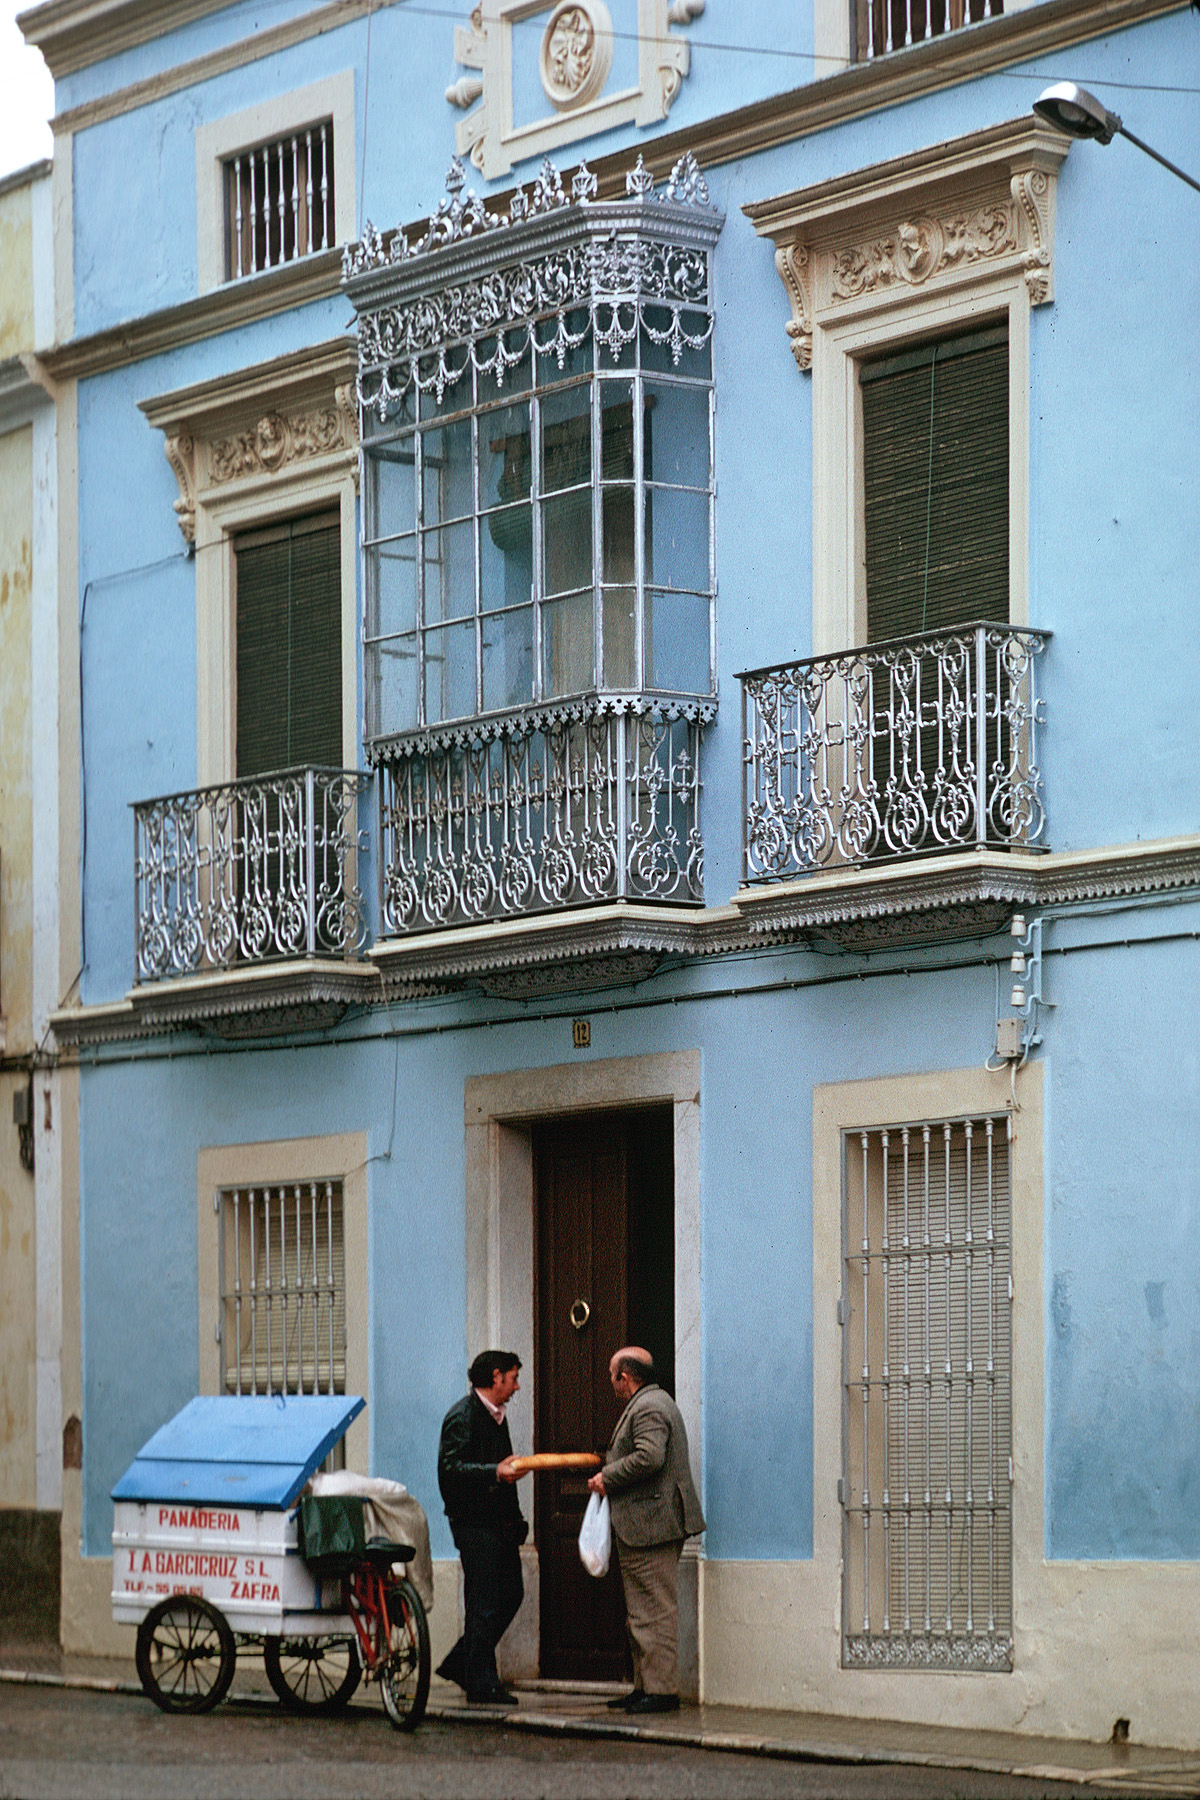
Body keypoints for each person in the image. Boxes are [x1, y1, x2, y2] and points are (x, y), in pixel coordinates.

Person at [587, 1345, 704, 1713]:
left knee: (653, 1610)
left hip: (651, 1525)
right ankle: (646, 1686)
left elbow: (649, 1456)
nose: (611, 1383)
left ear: (626, 1377)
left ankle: (661, 1691)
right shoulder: (652, 1402)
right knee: (642, 1611)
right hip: (645, 1524)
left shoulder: (650, 1406)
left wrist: (607, 1476)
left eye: (612, 1375)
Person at [436, 1348, 529, 1706]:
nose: (517, 1386)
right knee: (484, 1601)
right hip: (474, 1525)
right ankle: (481, 1683)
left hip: (499, 1525)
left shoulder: (497, 1415)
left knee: (510, 1595)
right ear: (495, 1377)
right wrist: (494, 1471)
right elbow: (451, 1470)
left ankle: (463, 1663)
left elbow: (507, 1473)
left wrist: (516, 1519)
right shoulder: (462, 1416)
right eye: (514, 1377)